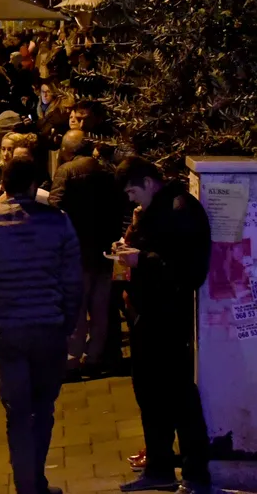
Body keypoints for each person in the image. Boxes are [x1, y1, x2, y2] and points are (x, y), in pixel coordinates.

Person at [0, 156, 82, 494]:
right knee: (43, 409)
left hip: (7, 331)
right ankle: (36, 482)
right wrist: (70, 325)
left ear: (3, 185)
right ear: (34, 186)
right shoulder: (59, 223)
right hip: (48, 328)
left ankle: (26, 485)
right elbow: (72, 281)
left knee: (17, 413)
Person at [113, 158, 212, 494]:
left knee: (179, 394)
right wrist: (128, 248)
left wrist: (142, 260)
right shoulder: (153, 210)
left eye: (132, 191)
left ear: (148, 182)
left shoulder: (181, 209)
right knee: (150, 394)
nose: (130, 199)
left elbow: (189, 269)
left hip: (169, 317)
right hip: (146, 316)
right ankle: (159, 467)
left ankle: (195, 473)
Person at [49, 131, 123, 375]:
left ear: (66, 149)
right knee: (100, 308)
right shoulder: (106, 171)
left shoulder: (66, 171)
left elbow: (55, 207)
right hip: (103, 249)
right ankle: (95, 357)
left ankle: (72, 358)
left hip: (76, 251)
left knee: (76, 308)